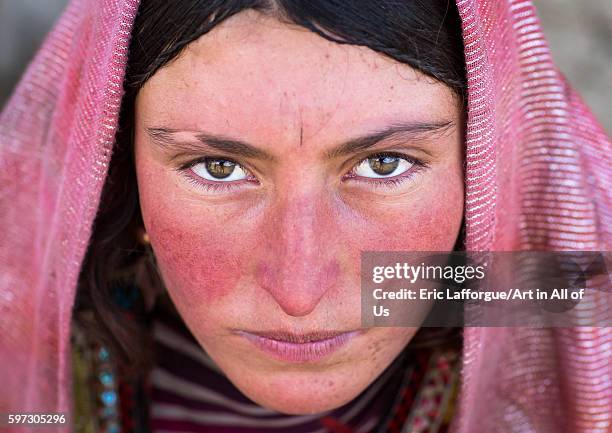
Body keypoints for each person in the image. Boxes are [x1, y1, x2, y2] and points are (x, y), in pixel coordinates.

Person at [0, 1, 609, 433]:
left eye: (384, 163)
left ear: (484, 171)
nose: (298, 292)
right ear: (119, 173)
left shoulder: (550, 318)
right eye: (217, 168)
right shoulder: (24, 353)